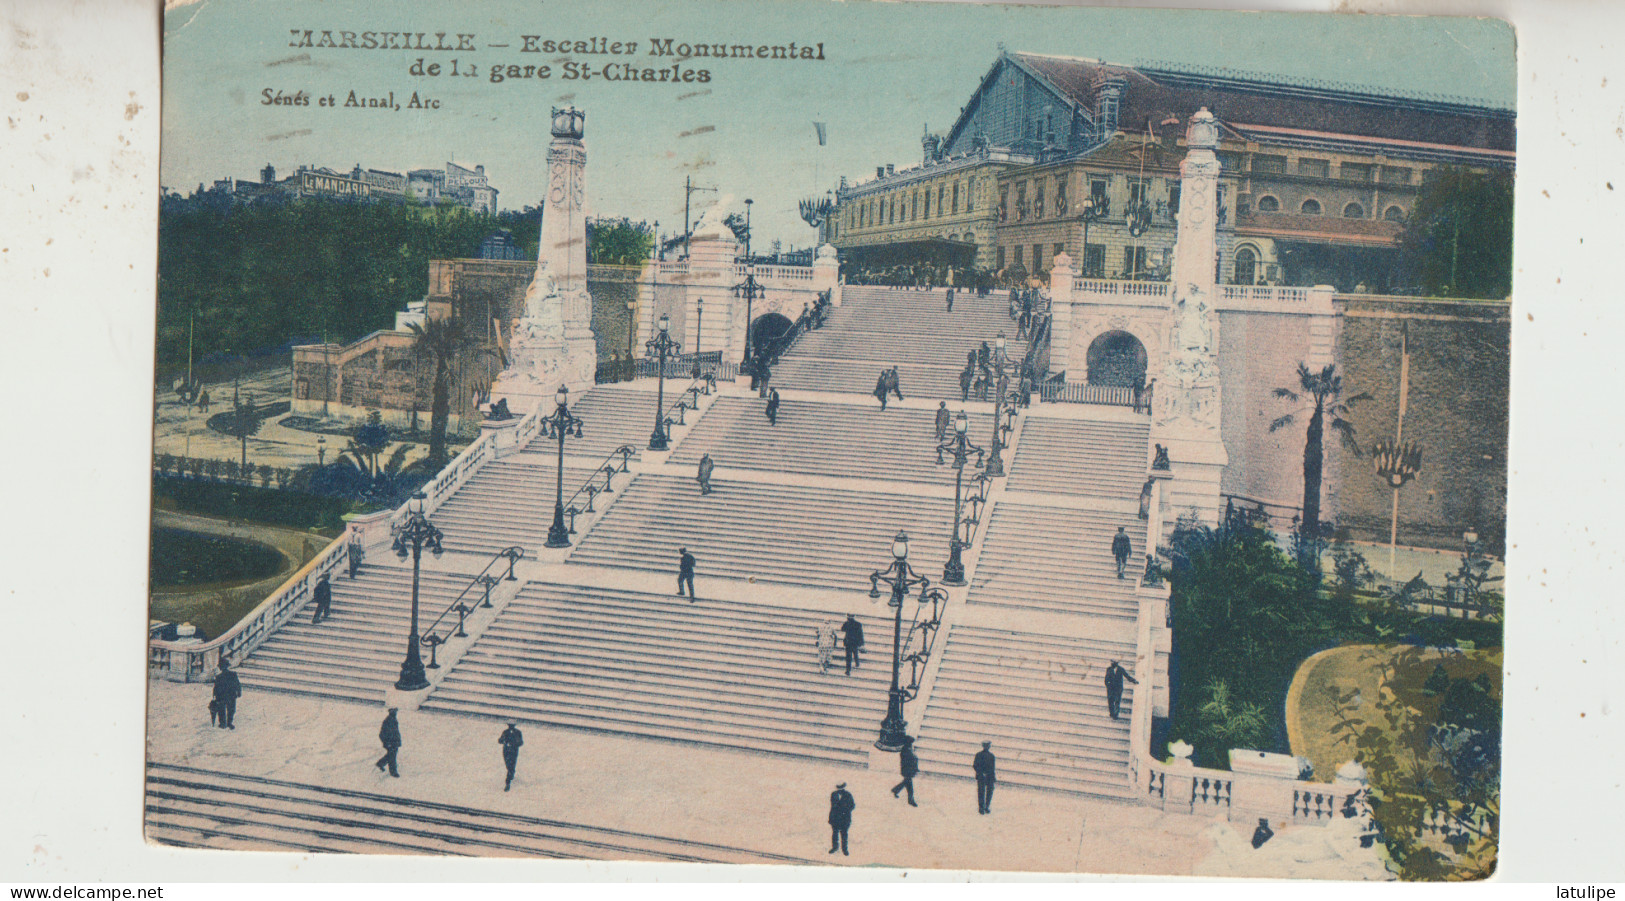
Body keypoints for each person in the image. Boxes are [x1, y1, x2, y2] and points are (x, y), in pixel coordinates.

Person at [212, 658, 241, 730]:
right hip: (230, 695)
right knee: (231, 709)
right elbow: (238, 684)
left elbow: (216, 688)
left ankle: (223, 723)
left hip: (222, 696)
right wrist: (239, 692)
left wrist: (215, 695)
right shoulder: (233, 674)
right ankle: (229, 722)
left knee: (222, 709)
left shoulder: (219, 677)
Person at [827, 782, 856, 856]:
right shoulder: (833, 794)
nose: (839, 789)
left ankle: (844, 849)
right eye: (838, 787)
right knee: (835, 834)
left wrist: (845, 810)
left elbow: (852, 805)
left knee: (844, 835)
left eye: (841, 787)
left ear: (843, 787)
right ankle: (835, 847)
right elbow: (833, 806)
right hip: (835, 818)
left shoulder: (848, 795)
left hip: (844, 818)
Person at [892, 736, 920, 806]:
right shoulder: (906, 750)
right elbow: (908, 761)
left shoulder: (908, 749)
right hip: (907, 770)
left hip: (908, 770)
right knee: (909, 786)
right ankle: (910, 800)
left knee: (906, 783)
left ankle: (896, 790)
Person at [498, 722, 524, 791]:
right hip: (506, 750)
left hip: (513, 751)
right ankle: (511, 774)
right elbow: (500, 740)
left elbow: (521, 742)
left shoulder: (518, 732)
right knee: (508, 765)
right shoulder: (505, 732)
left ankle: (508, 782)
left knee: (511, 765)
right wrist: (503, 741)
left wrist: (514, 744)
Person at [376, 708, 402, 777]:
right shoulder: (388, 721)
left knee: (391, 755)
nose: (395, 713)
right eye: (394, 711)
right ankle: (393, 772)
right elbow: (382, 734)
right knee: (392, 757)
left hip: (394, 742)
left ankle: (380, 763)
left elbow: (395, 732)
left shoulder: (393, 719)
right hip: (390, 743)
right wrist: (387, 743)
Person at [973, 740, 996, 814]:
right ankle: (982, 807)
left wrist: (992, 776)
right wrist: (981, 773)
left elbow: (992, 768)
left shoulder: (990, 756)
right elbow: (975, 765)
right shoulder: (981, 755)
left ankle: (985, 807)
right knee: (982, 792)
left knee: (986, 792)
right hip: (983, 776)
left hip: (986, 776)